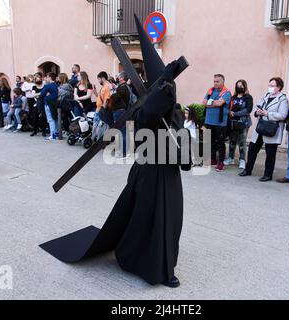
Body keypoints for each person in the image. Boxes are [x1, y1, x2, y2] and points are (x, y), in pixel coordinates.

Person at [40, 17, 187, 288]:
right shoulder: (145, 109)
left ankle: (166, 266)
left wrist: (186, 153)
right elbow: (149, 117)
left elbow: (181, 137)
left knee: (171, 220)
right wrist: (164, 84)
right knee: (147, 218)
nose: (170, 93)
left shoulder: (174, 111)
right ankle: (142, 262)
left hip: (169, 174)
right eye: (166, 89)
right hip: (148, 173)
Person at [239, 77, 289, 181]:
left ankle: (268, 174)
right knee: (252, 149)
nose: (270, 87)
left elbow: (283, 115)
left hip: (271, 129)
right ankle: (248, 170)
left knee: (270, 153)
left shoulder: (283, 99)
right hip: (260, 127)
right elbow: (256, 108)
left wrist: (267, 114)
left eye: (272, 85)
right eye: (269, 85)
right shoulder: (265, 96)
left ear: (279, 87)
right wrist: (257, 112)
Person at [202, 74, 232, 172]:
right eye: (214, 81)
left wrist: (211, 103)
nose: (215, 83)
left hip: (220, 123)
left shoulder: (226, 92)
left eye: (217, 81)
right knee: (210, 142)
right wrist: (213, 103)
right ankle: (213, 159)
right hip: (209, 121)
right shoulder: (210, 90)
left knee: (220, 143)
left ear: (223, 82)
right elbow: (203, 103)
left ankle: (221, 162)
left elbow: (219, 103)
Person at [225, 79, 253, 169]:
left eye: (241, 85)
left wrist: (235, 114)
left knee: (242, 142)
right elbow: (228, 107)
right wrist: (229, 112)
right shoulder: (233, 97)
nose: (239, 87)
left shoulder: (248, 97)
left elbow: (248, 110)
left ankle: (242, 160)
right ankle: (230, 158)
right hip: (233, 122)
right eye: (238, 85)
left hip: (243, 122)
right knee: (232, 141)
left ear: (245, 86)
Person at [40, 72, 59, 141]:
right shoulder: (56, 85)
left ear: (50, 77)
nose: (46, 78)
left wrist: (46, 94)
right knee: (55, 118)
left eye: (47, 77)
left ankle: (52, 135)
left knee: (51, 119)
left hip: (48, 103)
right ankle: (56, 133)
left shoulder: (48, 86)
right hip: (55, 103)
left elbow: (41, 95)